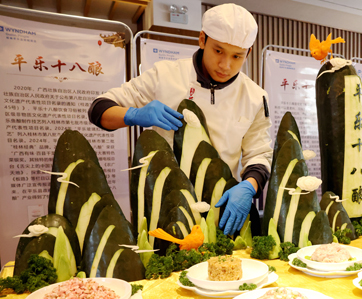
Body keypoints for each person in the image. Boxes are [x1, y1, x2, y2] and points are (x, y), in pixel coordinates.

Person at [88, 3, 272, 235]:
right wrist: (133, 114)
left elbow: (259, 153)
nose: (226, 65)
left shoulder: (255, 96)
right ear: (202, 39)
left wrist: (248, 186)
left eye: (237, 56)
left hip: (220, 208)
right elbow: (98, 109)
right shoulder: (165, 75)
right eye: (218, 51)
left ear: (249, 52)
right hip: (165, 208)